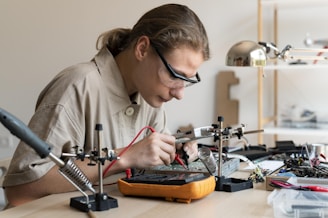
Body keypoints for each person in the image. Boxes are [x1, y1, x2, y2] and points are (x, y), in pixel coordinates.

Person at [3, 3, 210, 207]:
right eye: (175, 75)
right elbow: (19, 189)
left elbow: (151, 162)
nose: (180, 93)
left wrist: (176, 150)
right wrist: (124, 157)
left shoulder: (150, 97)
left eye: (188, 81)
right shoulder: (77, 86)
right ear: (142, 49)